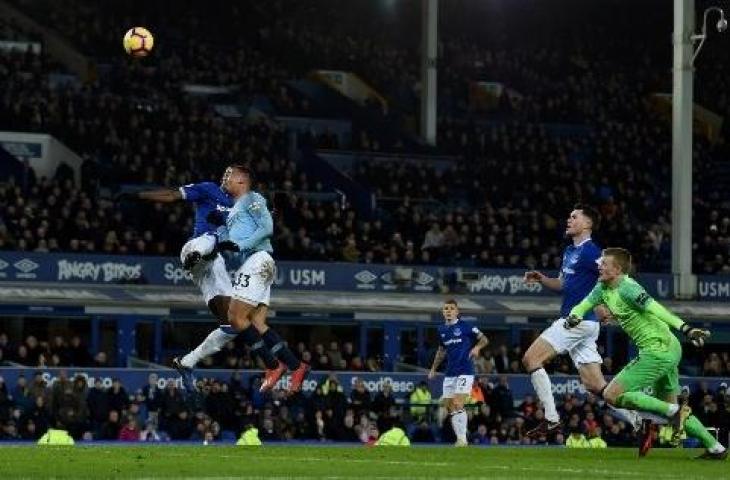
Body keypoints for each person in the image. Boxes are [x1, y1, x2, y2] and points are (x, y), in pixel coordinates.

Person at [567, 247, 726, 460]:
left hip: (658, 349)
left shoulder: (629, 288)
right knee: (671, 410)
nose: (600, 266)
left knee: (610, 394)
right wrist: (574, 316)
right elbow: (583, 305)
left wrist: (685, 328)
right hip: (668, 348)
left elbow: (656, 308)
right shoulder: (602, 287)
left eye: (604, 264)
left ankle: (663, 415)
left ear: (617, 269)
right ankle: (716, 447)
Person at [180, 165, 309, 393]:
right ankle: (295, 366)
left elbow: (266, 227)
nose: (226, 180)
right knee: (256, 323)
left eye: (230, 177)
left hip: (257, 261)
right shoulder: (234, 213)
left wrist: (242, 242)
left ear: (242, 181)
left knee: (235, 318)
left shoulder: (251, 199)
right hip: (261, 264)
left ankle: (272, 365)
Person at [522, 205, 638, 437]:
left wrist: (608, 307)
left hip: (577, 320)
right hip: (585, 324)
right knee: (596, 386)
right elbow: (563, 285)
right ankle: (639, 418)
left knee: (531, 358)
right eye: (568, 216)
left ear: (587, 224)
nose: (569, 220)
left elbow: (616, 277)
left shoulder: (592, 252)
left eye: (574, 217)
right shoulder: (569, 251)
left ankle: (551, 418)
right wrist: (542, 279)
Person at [428, 299, 489, 446]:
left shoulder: (466, 327)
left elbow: (484, 339)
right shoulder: (441, 330)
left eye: (451, 308)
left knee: (457, 402)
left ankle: (462, 439)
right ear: (443, 312)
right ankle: (461, 438)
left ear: (457, 311)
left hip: (465, 370)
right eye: (446, 308)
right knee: (448, 405)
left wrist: (477, 348)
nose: (448, 311)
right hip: (450, 372)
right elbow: (441, 351)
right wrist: (433, 369)